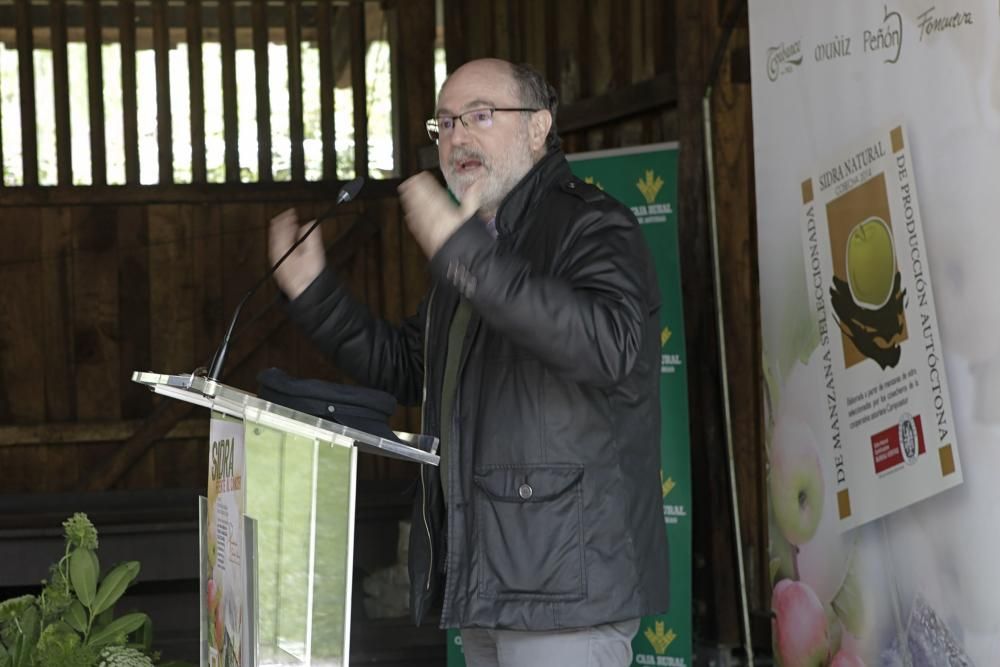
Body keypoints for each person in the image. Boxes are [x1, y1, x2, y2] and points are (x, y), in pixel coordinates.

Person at [269, 58, 669, 667]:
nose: (457, 136)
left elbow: (608, 346)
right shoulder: (477, 243)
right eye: (446, 122)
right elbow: (412, 367)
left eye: (481, 116)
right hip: (488, 579)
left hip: (566, 589)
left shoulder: (591, 222)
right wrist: (315, 295)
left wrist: (463, 255)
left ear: (539, 127)